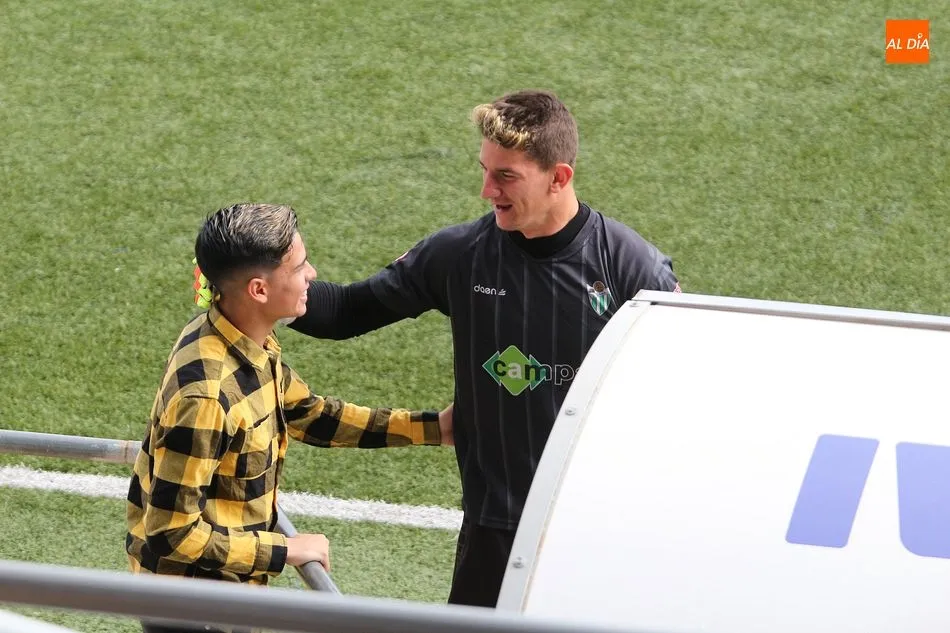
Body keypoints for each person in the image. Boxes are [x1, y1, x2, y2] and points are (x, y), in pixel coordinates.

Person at [288, 89, 681, 608]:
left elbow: (682, 389)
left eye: (505, 176)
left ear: (558, 177)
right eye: (485, 171)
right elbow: (345, 311)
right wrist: (245, 284)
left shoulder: (630, 268)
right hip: (494, 525)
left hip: (594, 529)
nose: (486, 190)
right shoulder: (461, 256)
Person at [127, 202, 452, 633]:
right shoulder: (205, 396)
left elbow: (310, 414)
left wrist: (436, 428)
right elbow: (172, 533)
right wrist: (286, 550)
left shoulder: (243, 339)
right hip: (196, 610)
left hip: (223, 596)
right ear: (259, 290)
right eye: (299, 267)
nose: (312, 274)